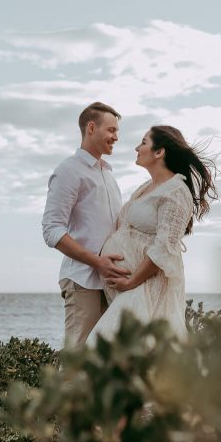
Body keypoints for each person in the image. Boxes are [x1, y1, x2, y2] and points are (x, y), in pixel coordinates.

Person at [87, 125, 217, 344]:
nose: (137, 148)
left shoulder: (176, 191)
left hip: (144, 287)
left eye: (143, 142)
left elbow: (164, 248)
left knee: (110, 345)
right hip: (128, 287)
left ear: (159, 152)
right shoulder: (147, 186)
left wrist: (131, 282)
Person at [42, 102, 132, 347]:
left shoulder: (108, 175)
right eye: (111, 130)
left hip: (111, 282)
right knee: (78, 357)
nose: (116, 137)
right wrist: (97, 262)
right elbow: (51, 229)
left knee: (105, 360)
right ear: (91, 128)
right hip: (83, 281)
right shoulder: (68, 171)